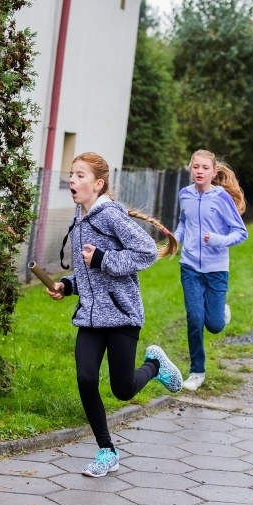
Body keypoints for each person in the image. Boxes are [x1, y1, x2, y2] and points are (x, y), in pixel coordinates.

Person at [46, 152, 183, 478]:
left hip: (122, 315)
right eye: (72, 174)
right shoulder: (78, 219)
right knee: (85, 378)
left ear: (98, 184)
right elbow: (89, 274)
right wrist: (67, 285)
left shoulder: (109, 216)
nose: (72, 181)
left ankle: (155, 365)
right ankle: (106, 450)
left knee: (122, 389)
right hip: (91, 318)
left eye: (80, 175)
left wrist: (103, 258)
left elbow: (147, 251)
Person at [174, 149, 248, 391]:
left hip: (216, 269)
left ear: (214, 172)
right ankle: (197, 371)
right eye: (196, 167)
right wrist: (176, 239)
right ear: (190, 168)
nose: (199, 171)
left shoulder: (221, 198)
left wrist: (217, 239)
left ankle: (221, 311)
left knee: (214, 325)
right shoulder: (184, 195)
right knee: (195, 319)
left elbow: (240, 233)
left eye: (205, 168)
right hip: (190, 266)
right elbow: (184, 222)